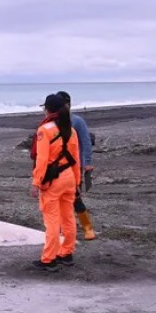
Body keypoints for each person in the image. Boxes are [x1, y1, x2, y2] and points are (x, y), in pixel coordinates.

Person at [30, 94, 81, 272]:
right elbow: (75, 159)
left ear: (48, 110)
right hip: (69, 178)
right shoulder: (71, 130)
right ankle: (67, 253)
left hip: (53, 181)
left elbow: (42, 159)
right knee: (68, 217)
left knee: (52, 220)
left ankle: (49, 259)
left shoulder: (45, 130)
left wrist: (36, 182)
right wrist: (77, 181)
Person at [57, 91, 97, 240]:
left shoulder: (77, 121)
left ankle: (88, 228)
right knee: (58, 199)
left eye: (61, 104)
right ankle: (61, 230)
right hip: (56, 167)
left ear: (68, 105)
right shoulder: (53, 122)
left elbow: (86, 142)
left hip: (74, 167)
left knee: (75, 197)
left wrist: (87, 163)